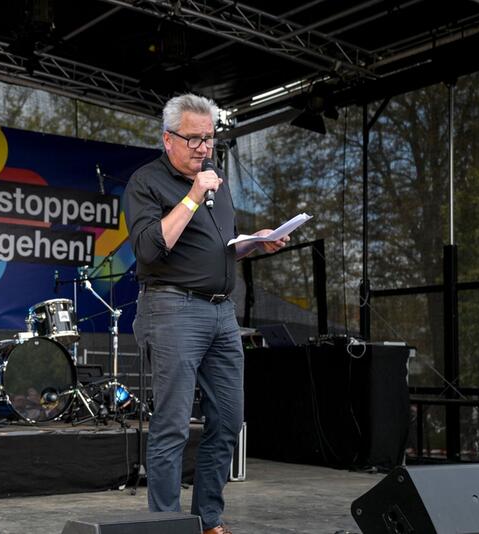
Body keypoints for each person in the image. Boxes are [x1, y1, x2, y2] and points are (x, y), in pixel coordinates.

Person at [123, 93, 289, 534]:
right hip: (171, 307)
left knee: (229, 419)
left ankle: (207, 517)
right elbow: (149, 248)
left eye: (209, 138)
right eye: (193, 138)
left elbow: (219, 250)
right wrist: (194, 196)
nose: (203, 147)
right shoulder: (147, 183)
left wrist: (256, 242)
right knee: (173, 423)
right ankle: (166, 524)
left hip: (221, 314)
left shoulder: (217, 182)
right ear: (167, 139)